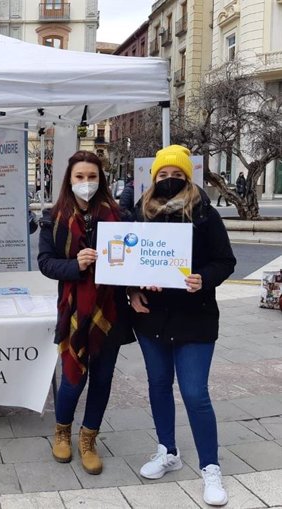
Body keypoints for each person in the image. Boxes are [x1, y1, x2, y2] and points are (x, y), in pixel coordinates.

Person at [127, 145, 235, 507]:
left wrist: (204, 278)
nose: (169, 181)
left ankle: (210, 466)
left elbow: (226, 261)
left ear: (187, 177)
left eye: (176, 175)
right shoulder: (141, 213)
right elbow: (130, 263)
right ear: (153, 177)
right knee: (158, 385)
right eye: (163, 175)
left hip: (195, 317)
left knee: (194, 392)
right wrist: (133, 291)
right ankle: (167, 450)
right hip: (152, 317)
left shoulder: (205, 214)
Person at [38, 150, 133, 475]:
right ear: (70, 180)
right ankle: (62, 431)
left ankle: (88, 438)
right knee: (73, 379)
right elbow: (45, 263)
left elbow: (134, 262)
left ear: (101, 179)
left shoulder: (119, 216)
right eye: (80, 177)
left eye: (92, 177)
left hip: (110, 312)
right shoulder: (53, 218)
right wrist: (75, 266)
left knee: (103, 379)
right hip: (74, 311)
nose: (86, 184)